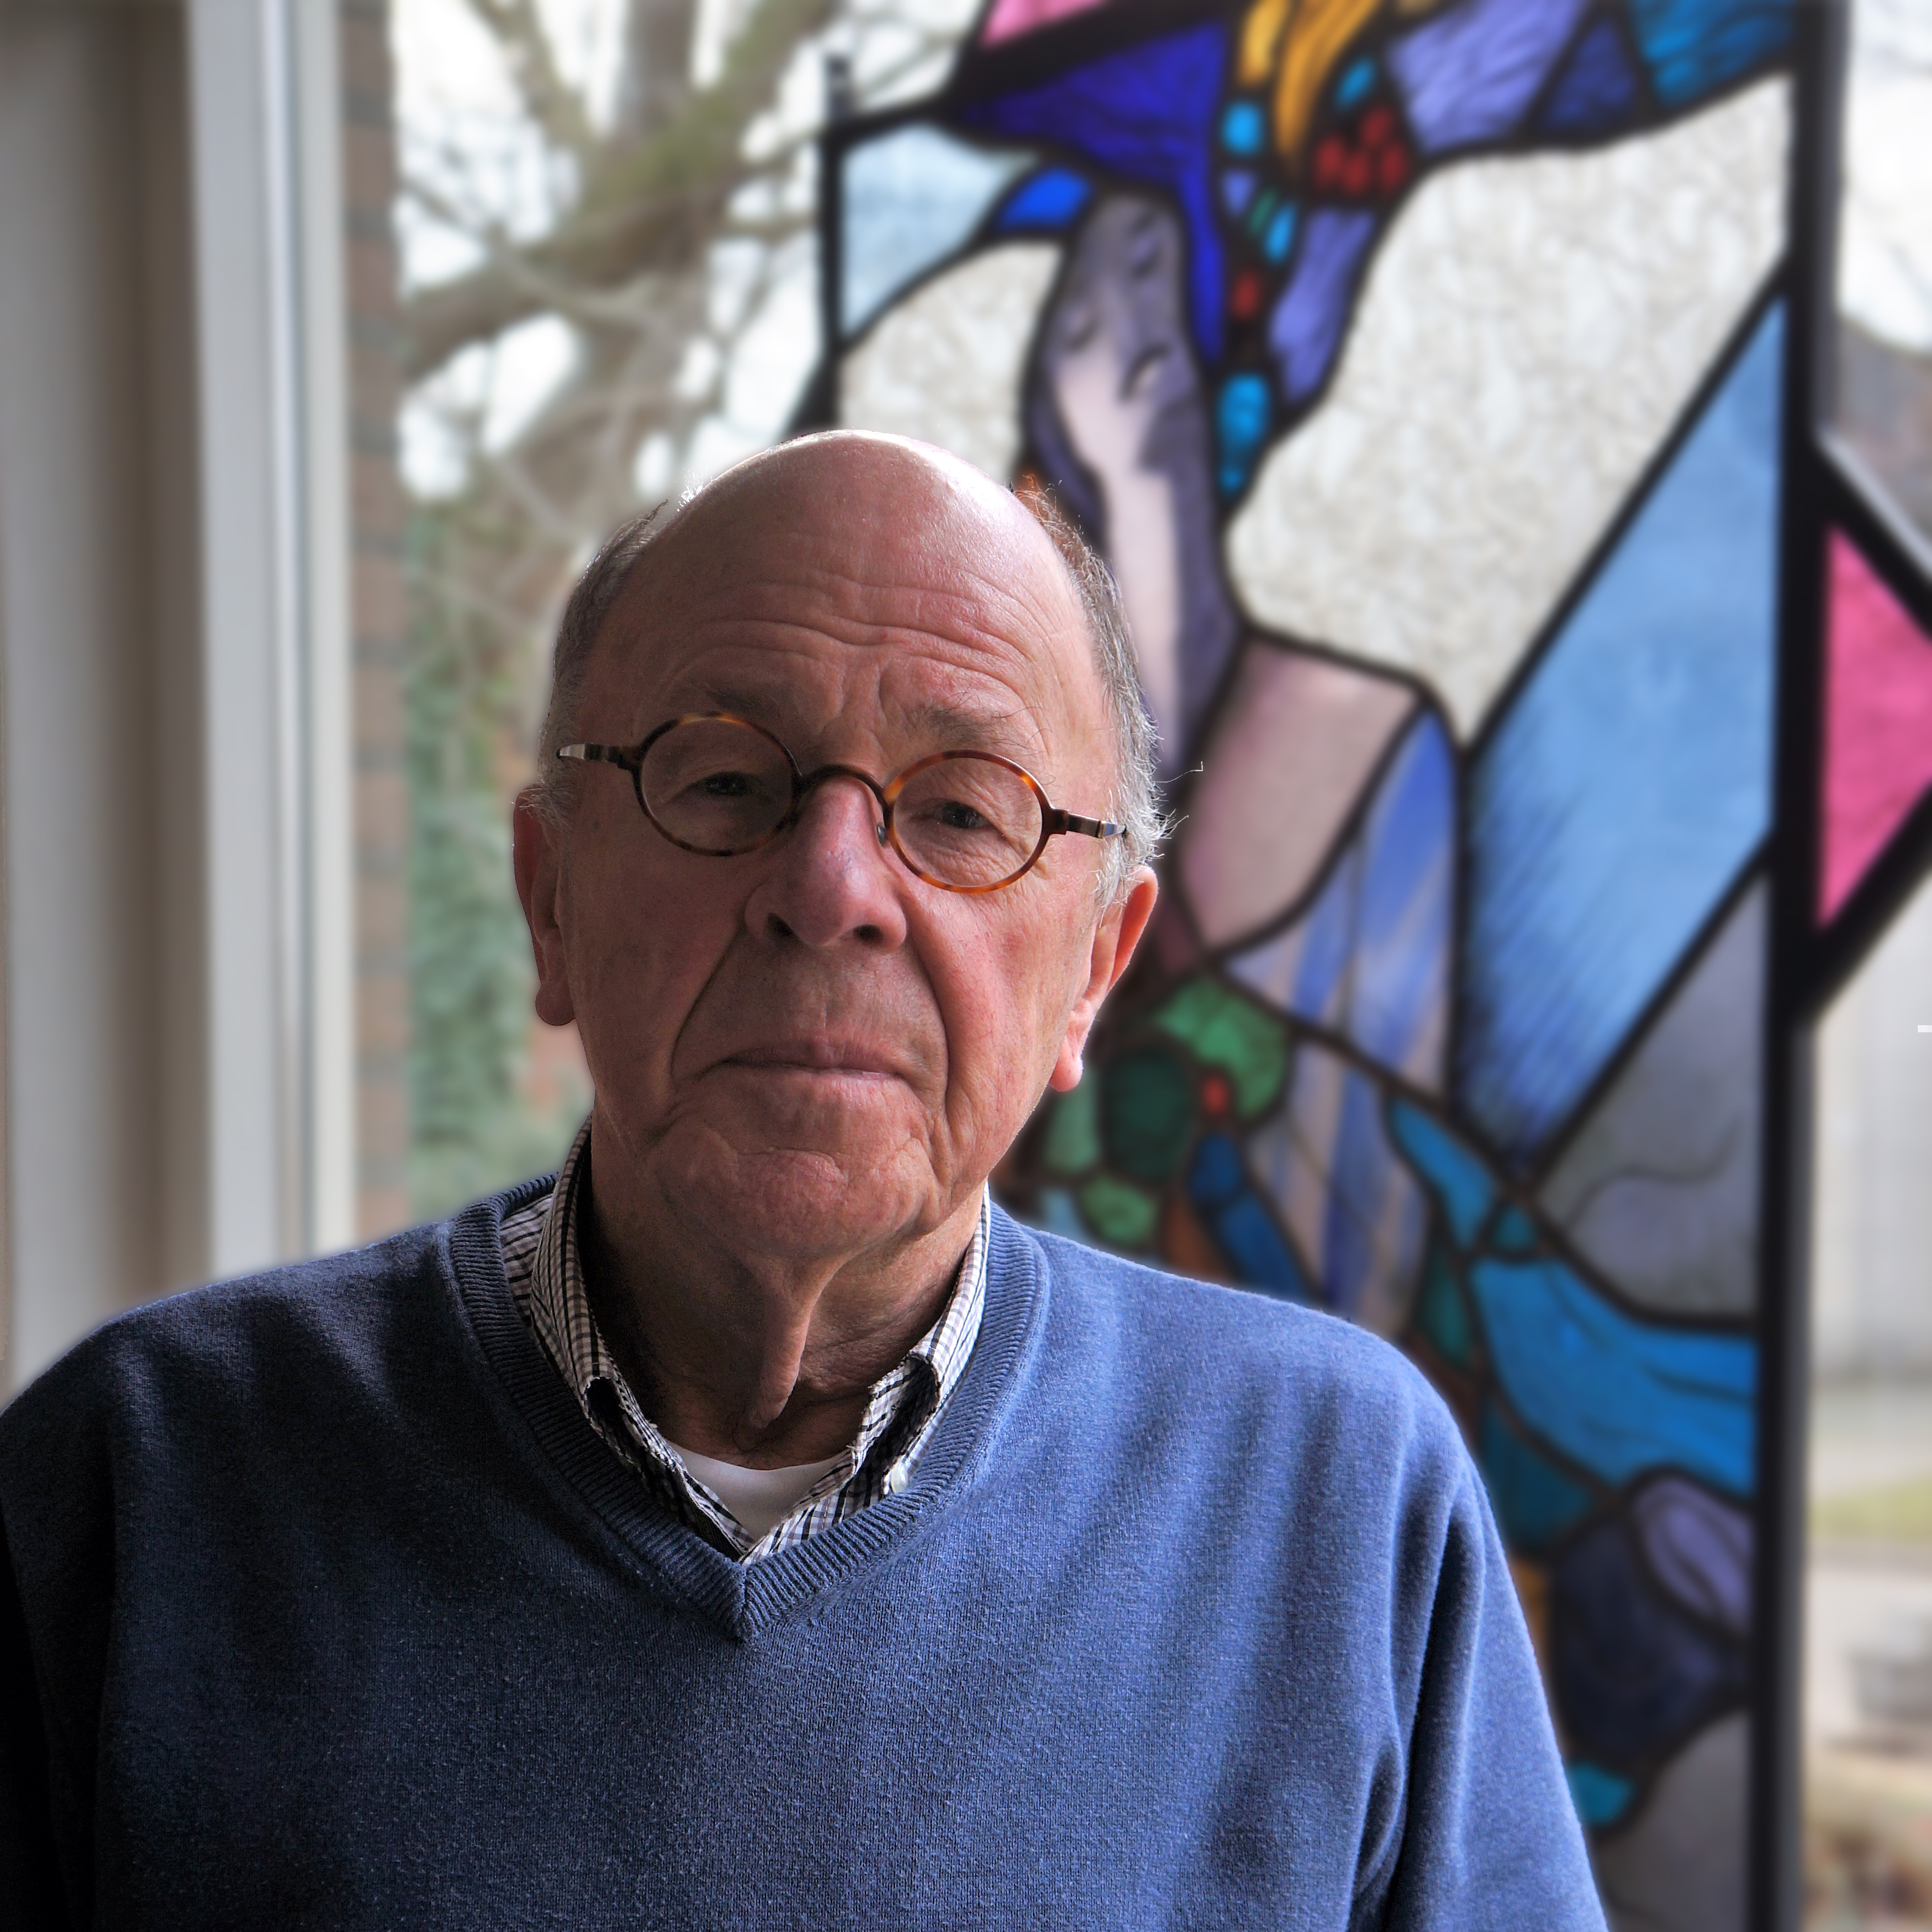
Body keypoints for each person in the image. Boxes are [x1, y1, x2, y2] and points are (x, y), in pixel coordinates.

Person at [0, 433, 1604, 1927]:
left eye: (965, 812)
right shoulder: (135, 1489)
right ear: (549, 902)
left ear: (1096, 977)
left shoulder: (1338, 1502)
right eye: (722, 783)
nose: (832, 890)